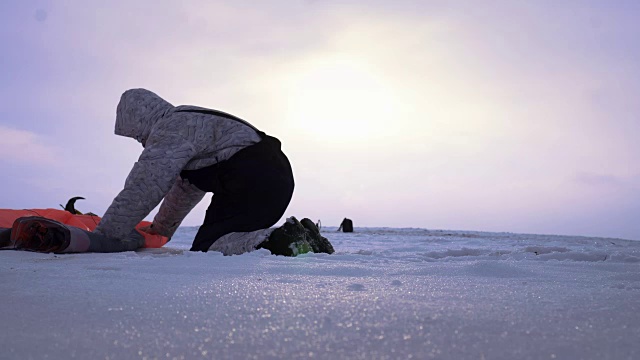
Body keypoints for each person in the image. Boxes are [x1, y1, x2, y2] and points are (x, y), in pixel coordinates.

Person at [93, 88, 333, 256]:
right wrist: (161, 230)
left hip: (250, 175)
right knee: (222, 239)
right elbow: (186, 188)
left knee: (210, 248)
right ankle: (301, 238)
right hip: (274, 175)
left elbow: (145, 186)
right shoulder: (188, 121)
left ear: (139, 120)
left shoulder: (170, 128)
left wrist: (105, 234)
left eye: (135, 134)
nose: (139, 140)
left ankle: (284, 240)